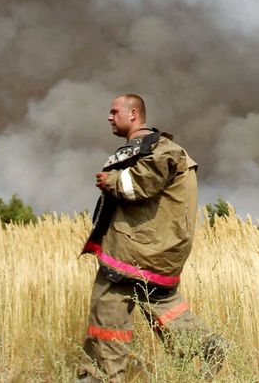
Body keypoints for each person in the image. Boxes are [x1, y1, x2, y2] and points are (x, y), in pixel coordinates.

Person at [77, 93, 224, 381]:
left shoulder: (159, 149)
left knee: (106, 316)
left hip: (133, 253)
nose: (109, 117)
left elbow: (140, 186)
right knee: (161, 303)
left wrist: (112, 180)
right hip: (153, 254)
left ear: (134, 114)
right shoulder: (154, 148)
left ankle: (101, 376)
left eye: (114, 111)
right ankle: (206, 345)